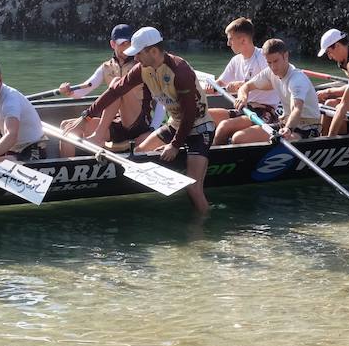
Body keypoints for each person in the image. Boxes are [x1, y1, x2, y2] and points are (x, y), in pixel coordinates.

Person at [70, 26, 213, 213]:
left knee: (193, 188)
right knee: (139, 155)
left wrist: (175, 145)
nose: (135, 58)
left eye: (138, 53)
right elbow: (115, 91)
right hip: (175, 125)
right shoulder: (142, 69)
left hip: (198, 129)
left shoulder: (181, 71)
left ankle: (203, 231)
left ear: (153, 51)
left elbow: (190, 115)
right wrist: (86, 116)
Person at [55, 24, 153, 156]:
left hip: (139, 123)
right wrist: (69, 91)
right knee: (66, 126)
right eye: (123, 44)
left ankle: (98, 136)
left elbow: (160, 102)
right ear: (113, 44)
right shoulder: (106, 67)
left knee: (117, 84)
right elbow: (85, 88)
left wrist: (154, 129)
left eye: (130, 43)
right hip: (117, 122)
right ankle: (67, 169)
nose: (128, 47)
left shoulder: (142, 65)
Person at [228, 38, 323, 144]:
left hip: (308, 128)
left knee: (281, 141)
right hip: (285, 123)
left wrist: (288, 129)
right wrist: (243, 98)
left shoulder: (297, 79)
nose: (273, 67)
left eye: (276, 61)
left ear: (286, 56)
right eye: (269, 62)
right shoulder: (269, 73)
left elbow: (296, 109)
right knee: (238, 138)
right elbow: (246, 86)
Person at [209, 17, 284, 146]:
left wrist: (243, 85)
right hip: (244, 108)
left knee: (223, 126)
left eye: (230, 39)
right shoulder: (235, 60)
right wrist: (206, 87)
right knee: (203, 115)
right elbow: (220, 83)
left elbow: (276, 83)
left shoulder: (264, 57)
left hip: (264, 111)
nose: (228, 43)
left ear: (243, 40)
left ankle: (210, 160)